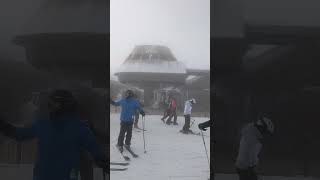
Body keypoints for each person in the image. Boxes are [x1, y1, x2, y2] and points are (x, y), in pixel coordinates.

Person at [0, 89, 108, 180]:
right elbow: (97, 153)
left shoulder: (45, 125)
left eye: (52, 104)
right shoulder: (79, 127)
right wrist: (103, 162)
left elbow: (17, 134)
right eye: (50, 103)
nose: (50, 107)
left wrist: (3, 125)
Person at [235, 114, 274, 180]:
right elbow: (251, 155)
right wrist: (254, 166)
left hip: (243, 167)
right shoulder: (253, 138)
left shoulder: (251, 132)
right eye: (266, 132)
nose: (265, 135)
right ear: (262, 128)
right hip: (246, 168)